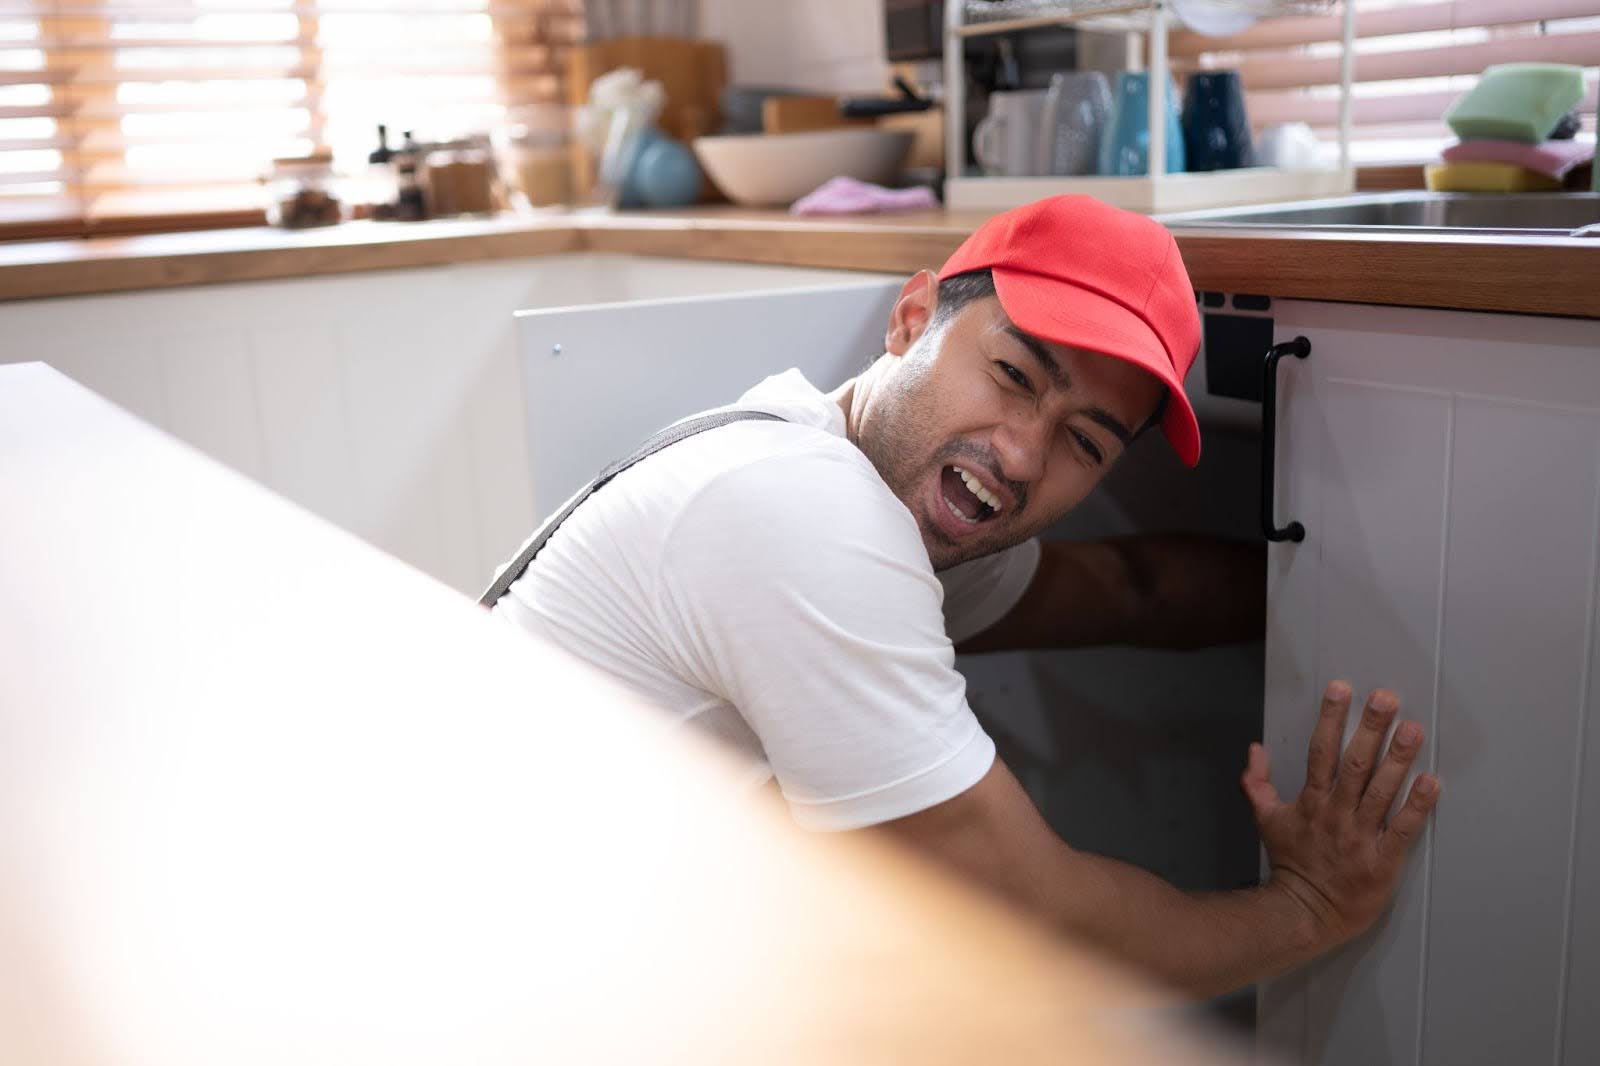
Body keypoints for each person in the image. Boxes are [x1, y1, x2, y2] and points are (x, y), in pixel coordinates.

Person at [488, 195, 1440, 999]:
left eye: (1086, 443)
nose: (1022, 453)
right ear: (912, 319)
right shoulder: (807, 512)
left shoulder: (839, 467)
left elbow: (1132, 592)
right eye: (1015, 374)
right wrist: (1307, 908)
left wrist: (1356, 611)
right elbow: (1038, 919)